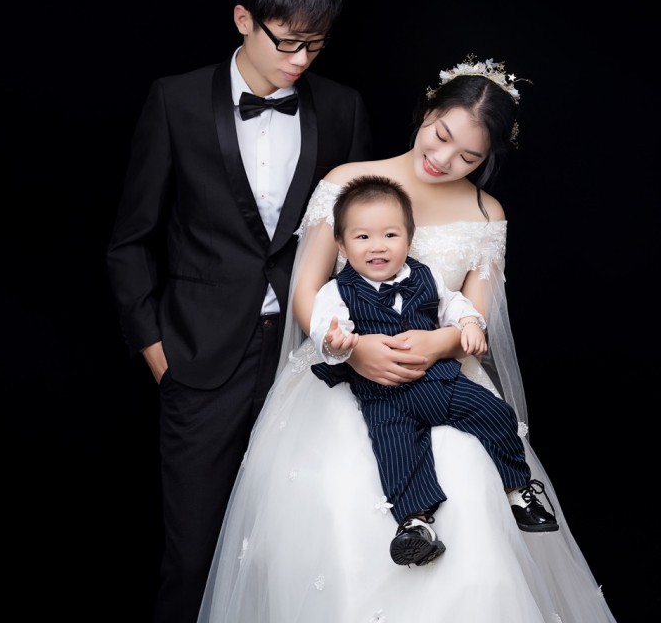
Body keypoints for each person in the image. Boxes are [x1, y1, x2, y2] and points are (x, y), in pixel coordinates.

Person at [196, 56, 618, 622]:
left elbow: (475, 313)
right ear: (427, 111)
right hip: (345, 373)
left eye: (468, 157)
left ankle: (508, 502)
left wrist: (439, 344)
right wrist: (353, 349)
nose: (443, 160)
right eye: (440, 136)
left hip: (442, 373)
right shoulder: (345, 182)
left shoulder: (485, 212)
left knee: (472, 485)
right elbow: (307, 290)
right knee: (339, 505)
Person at [106, 0, 372, 623]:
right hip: (199, 358)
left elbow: (361, 240)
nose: (302, 59)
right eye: (288, 42)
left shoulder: (342, 108)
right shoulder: (175, 101)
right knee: (193, 559)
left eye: (317, 44)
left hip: (306, 361)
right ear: (242, 19)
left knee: (298, 555)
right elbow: (130, 241)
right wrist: (155, 350)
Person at [309, 174, 558, 568]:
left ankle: (516, 489)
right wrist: (337, 342)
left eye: (390, 235)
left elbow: (455, 305)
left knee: (496, 413)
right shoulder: (337, 290)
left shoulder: (426, 276)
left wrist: (470, 324)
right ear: (341, 244)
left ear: (409, 239)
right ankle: (415, 525)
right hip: (383, 393)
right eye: (363, 237)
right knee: (396, 453)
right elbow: (324, 324)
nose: (378, 246)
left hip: (440, 381)